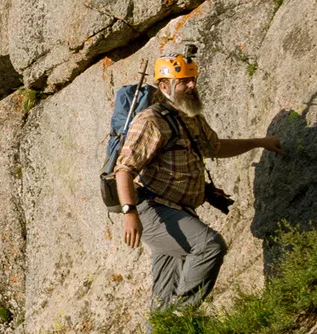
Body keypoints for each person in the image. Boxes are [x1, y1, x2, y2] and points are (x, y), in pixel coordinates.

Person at [114, 51, 284, 313]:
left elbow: (214, 147)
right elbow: (124, 170)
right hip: (152, 210)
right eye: (184, 81)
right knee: (208, 245)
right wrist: (129, 212)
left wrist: (260, 142)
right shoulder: (151, 121)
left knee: (164, 296)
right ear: (164, 86)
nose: (192, 85)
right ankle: (183, 317)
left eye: (193, 79)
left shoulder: (190, 117)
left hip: (176, 210)